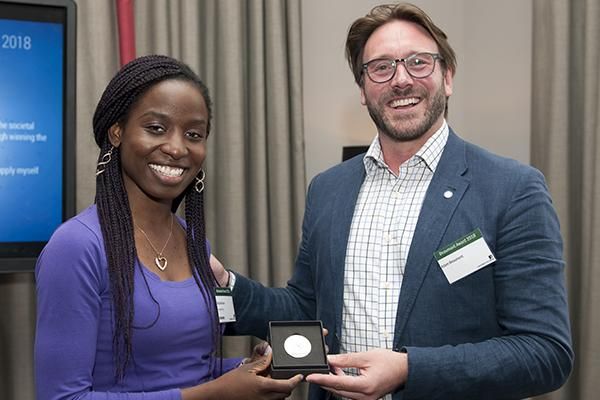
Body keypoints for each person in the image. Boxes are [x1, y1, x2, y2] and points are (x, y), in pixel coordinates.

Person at [211, 3, 573, 400]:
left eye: (418, 62)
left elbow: (545, 352)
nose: (401, 79)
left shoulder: (512, 189)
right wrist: (225, 285)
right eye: (381, 67)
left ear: (447, 77)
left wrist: (408, 369)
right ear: (363, 90)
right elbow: (305, 309)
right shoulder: (328, 189)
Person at [34, 55, 302, 400]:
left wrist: (250, 369)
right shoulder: (76, 247)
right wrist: (217, 394)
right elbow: (63, 397)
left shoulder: (193, 243)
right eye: (156, 128)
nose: (177, 148)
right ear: (117, 132)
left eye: (194, 134)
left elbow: (185, 370)